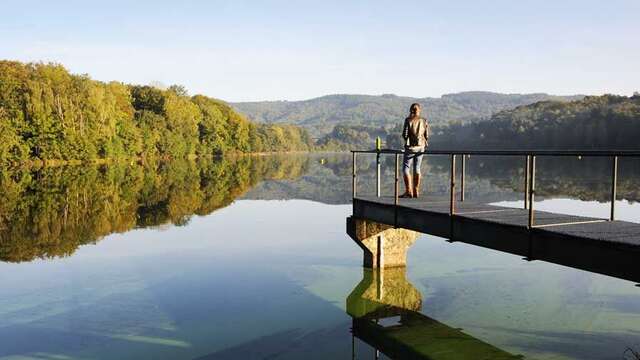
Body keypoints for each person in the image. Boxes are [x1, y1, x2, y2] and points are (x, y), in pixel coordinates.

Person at [400, 103, 429, 198]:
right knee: (417, 168)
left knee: (406, 168)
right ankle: (416, 190)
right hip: (421, 147)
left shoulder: (408, 120)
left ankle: (409, 191)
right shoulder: (424, 120)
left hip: (411, 147)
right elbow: (426, 135)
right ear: (419, 110)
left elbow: (405, 135)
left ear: (411, 110)